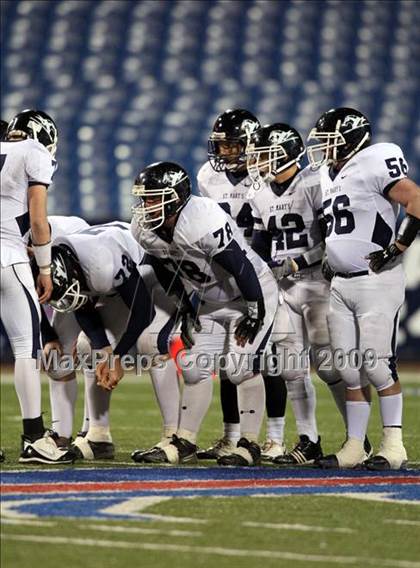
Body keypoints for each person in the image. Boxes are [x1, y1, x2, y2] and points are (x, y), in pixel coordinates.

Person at [98, 161, 279, 466]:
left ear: (176, 196)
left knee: (239, 368)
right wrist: (184, 306)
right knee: (194, 369)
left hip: (250, 291)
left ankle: (249, 444)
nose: (147, 206)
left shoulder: (201, 217)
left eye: (155, 198)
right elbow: (163, 269)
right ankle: (185, 440)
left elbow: (241, 266)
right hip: (209, 299)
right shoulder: (144, 229)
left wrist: (254, 310)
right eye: (145, 198)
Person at [307, 107, 420, 469]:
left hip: (375, 280)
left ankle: (394, 445)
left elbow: (415, 199)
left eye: (331, 141)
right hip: (340, 282)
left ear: (353, 139)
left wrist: (397, 247)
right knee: (348, 368)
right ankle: (355, 446)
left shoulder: (375, 158)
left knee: (375, 364)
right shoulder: (328, 173)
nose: (325, 149)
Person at [247, 122, 349, 465]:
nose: (259, 162)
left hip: (318, 281)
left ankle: (356, 438)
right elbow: (260, 246)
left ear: (286, 153)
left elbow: (332, 239)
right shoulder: (260, 193)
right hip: (284, 289)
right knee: (291, 367)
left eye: (265, 155)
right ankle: (309, 440)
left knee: (328, 363)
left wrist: (295, 263)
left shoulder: (313, 183)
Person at [41, 221, 180, 460]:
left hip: (152, 272)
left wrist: (118, 356)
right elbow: (82, 305)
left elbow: (143, 311)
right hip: (115, 283)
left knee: (151, 343)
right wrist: (104, 349)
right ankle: (98, 436)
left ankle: (175, 438)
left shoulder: (100, 264)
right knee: (88, 347)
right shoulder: (61, 262)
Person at [197, 108, 288, 461]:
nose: (224, 153)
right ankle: (230, 437)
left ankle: (276, 439)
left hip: (263, 272)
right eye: (221, 146)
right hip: (225, 277)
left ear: (251, 145)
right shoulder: (208, 176)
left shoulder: (266, 172)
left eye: (233, 146)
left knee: (269, 358)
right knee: (228, 360)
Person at [0, 109, 74, 463]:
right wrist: (44, 267)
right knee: (25, 348)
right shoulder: (35, 152)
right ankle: (33, 438)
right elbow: (37, 218)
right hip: (7, 257)